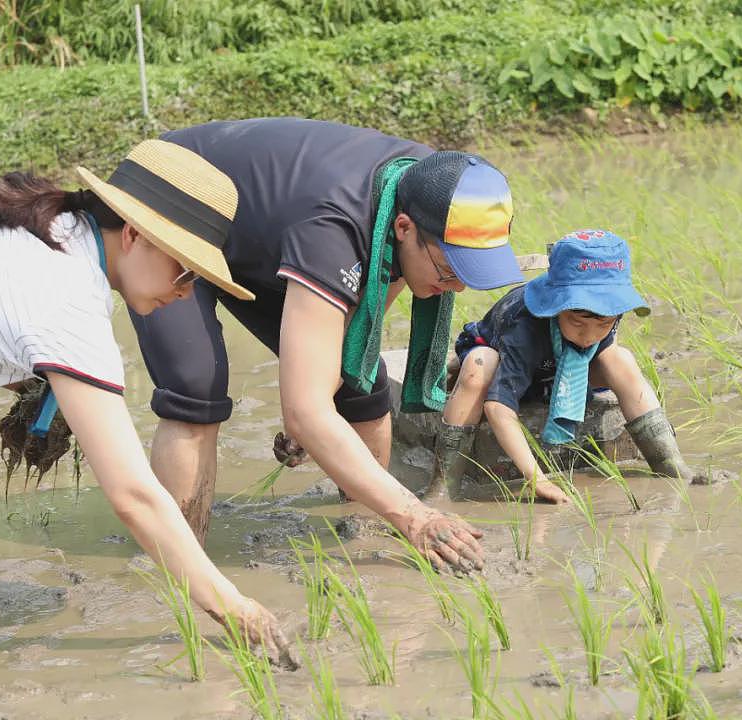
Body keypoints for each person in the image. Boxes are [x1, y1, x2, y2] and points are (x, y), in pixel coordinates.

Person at [0, 140, 293, 709]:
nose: (185, 293)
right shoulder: (67, 300)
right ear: (132, 234)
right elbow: (134, 496)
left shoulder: (46, 225)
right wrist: (234, 607)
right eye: (184, 271)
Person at [127, 118, 525, 573]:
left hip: (265, 229)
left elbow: (357, 331)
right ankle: (179, 565)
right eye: (449, 271)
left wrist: (311, 415)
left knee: (361, 385)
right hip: (173, 197)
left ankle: (364, 539)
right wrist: (415, 514)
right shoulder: (335, 229)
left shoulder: (431, 184)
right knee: (196, 386)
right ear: (403, 228)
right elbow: (307, 409)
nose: (453, 287)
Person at [428, 229, 706, 503]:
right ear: (555, 305)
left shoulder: (607, 315)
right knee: (479, 366)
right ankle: (443, 485)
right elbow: (497, 407)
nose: (589, 335)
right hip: (506, 361)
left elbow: (603, 344)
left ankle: (669, 464)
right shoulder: (524, 325)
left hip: (557, 367)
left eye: (603, 324)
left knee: (620, 359)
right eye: (577, 323)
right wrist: (539, 480)